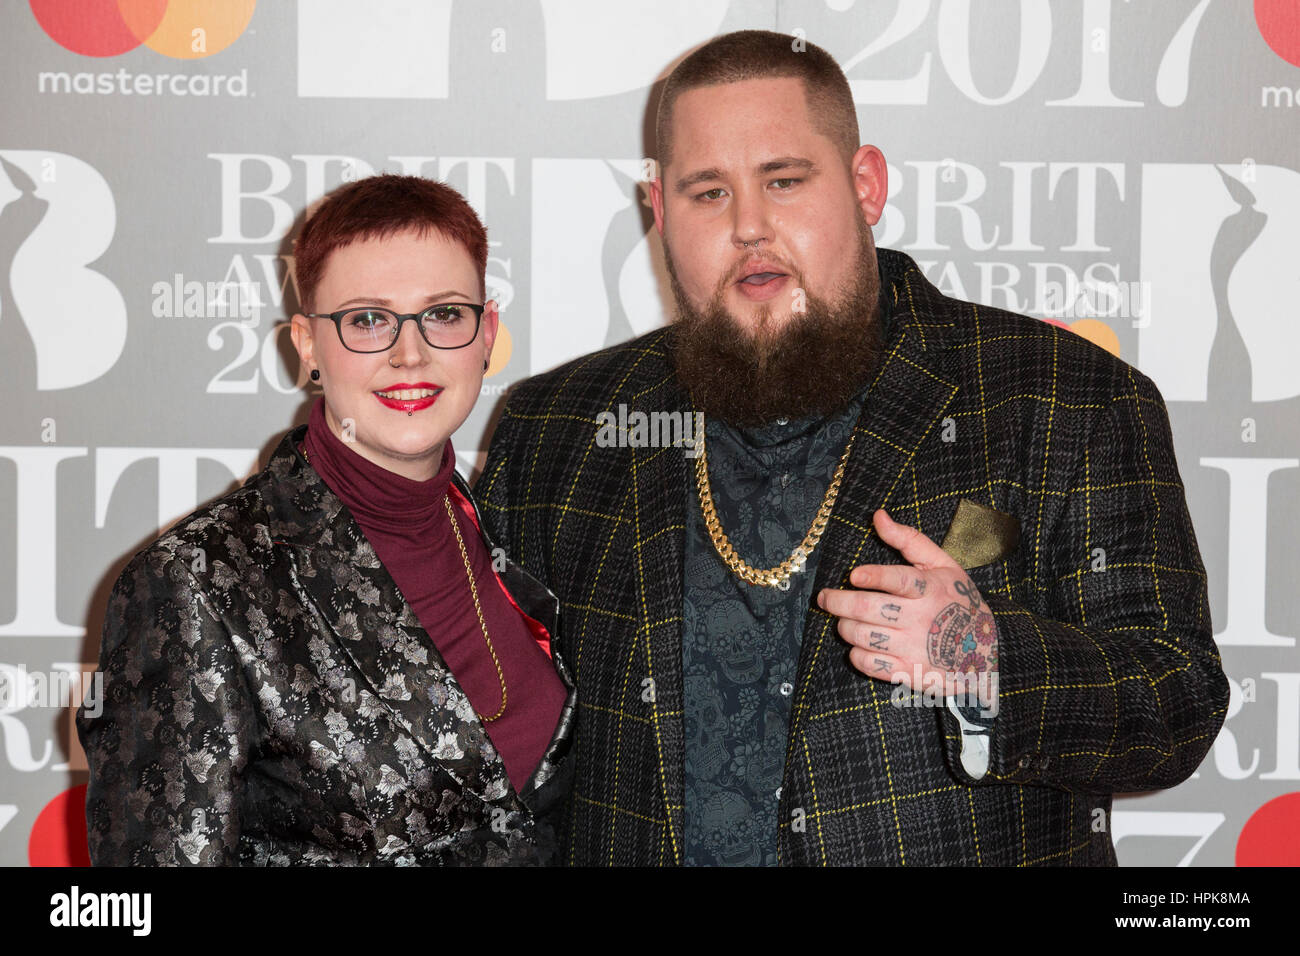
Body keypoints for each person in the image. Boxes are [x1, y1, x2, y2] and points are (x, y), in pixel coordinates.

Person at [476, 30, 1229, 866]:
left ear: (865, 184)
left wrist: (986, 659)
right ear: (659, 211)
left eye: (785, 181)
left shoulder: (1061, 397)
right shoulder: (559, 427)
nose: (750, 228)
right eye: (708, 193)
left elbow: (1178, 700)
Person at [77, 174, 574, 866]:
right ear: (308, 344)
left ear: (486, 334)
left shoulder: (516, 530)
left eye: (444, 314)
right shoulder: (198, 582)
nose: (411, 353)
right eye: (368, 319)